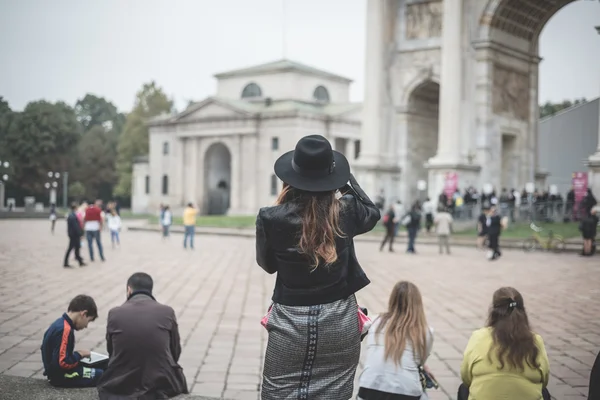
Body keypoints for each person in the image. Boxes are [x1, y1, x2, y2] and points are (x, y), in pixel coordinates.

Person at [256, 135, 380, 399]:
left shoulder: (270, 217)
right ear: (331, 177)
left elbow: (267, 265)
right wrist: (344, 181)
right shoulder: (346, 212)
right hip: (339, 319)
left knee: (278, 393)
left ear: (290, 177)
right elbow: (372, 211)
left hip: (290, 319)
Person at [97, 273, 188, 399]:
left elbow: (112, 351)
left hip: (120, 383)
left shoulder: (115, 313)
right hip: (161, 382)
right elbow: (175, 351)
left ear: (129, 289)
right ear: (150, 290)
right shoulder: (167, 311)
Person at [458, 287, 551, 400]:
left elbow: (466, 377)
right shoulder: (535, 340)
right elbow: (544, 379)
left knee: (464, 388)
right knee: (543, 391)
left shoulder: (478, 337)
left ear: (493, 311)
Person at [358, 281, 435, 400]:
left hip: (369, 388)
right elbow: (420, 360)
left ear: (392, 300)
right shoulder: (426, 331)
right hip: (406, 392)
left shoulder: (375, 321)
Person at [41, 295, 102, 387]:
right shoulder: (65, 330)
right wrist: (80, 354)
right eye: (88, 321)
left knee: (98, 367)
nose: (86, 326)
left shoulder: (59, 323)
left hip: (55, 372)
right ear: (83, 314)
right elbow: (63, 363)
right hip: (62, 377)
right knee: (102, 374)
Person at [64, 202, 86, 268]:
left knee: (77, 248)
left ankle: (80, 261)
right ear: (75, 208)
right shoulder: (73, 216)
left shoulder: (71, 215)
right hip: (74, 235)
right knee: (71, 248)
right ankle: (66, 262)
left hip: (73, 234)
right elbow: (76, 226)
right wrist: (80, 233)